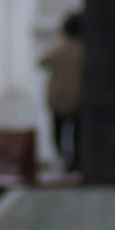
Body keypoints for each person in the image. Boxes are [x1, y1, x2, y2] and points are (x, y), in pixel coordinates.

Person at [40, 12, 84, 173]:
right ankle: (75, 162)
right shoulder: (85, 49)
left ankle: (65, 159)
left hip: (58, 98)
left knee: (58, 134)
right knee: (77, 134)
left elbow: (42, 61)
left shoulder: (60, 47)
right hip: (78, 99)